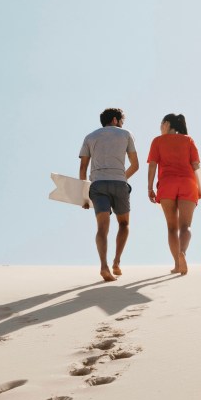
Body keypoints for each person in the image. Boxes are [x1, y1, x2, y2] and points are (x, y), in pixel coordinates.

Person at [79, 108, 139, 282]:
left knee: (102, 228)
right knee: (124, 223)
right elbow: (135, 165)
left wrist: (83, 196)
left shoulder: (90, 137)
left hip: (97, 185)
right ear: (115, 120)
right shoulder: (126, 134)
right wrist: (121, 177)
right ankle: (116, 262)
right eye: (121, 121)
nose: (122, 124)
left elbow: (83, 168)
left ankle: (104, 266)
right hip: (119, 183)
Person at [147, 113, 201, 275]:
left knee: (172, 228)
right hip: (188, 183)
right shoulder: (188, 140)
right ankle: (182, 252)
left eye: (161, 124)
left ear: (167, 124)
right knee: (186, 226)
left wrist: (150, 188)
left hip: (167, 184)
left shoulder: (157, 141)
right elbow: (196, 165)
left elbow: (152, 166)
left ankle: (177, 264)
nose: (160, 127)